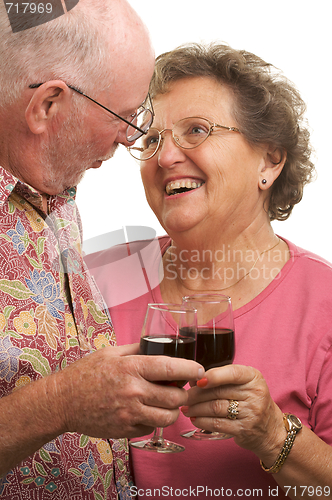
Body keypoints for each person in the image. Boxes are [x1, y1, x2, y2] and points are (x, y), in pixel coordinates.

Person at [86, 43, 332, 499]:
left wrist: (276, 436)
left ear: (270, 160)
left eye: (196, 130)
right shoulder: (100, 270)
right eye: (152, 139)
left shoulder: (324, 302)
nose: (163, 158)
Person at [0, 4, 204, 499]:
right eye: (124, 116)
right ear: (47, 106)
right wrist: (59, 402)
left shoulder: (55, 188)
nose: (135, 137)